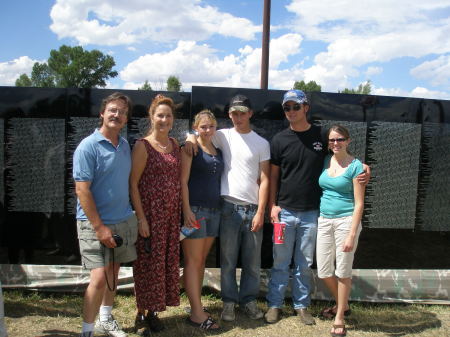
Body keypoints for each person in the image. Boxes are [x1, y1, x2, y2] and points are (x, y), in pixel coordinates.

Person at [265, 90, 369, 326]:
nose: (291, 111)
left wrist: (363, 166)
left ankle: (302, 306)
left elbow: (341, 152)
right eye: (287, 108)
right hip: (285, 212)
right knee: (280, 261)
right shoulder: (279, 140)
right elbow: (273, 177)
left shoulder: (321, 136)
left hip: (313, 214)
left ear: (306, 108)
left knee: (304, 264)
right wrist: (273, 205)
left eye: (296, 107)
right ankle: (274, 304)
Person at [186, 94, 270, 321]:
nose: (238, 117)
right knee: (228, 260)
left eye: (243, 112)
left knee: (252, 262)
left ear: (250, 114)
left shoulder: (262, 143)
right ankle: (229, 303)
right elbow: (197, 135)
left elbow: (265, 179)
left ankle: (249, 302)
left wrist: (261, 211)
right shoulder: (221, 135)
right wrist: (191, 139)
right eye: (234, 113)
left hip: (253, 209)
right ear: (229, 115)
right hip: (227, 208)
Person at [73, 92, 137, 337]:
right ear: (102, 113)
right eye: (113, 110)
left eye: (122, 112)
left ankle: (106, 318)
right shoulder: (88, 147)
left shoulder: (123, 146)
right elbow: (82, 189)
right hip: (94, 225)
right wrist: (100, 227)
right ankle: (87, 331)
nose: (117, 115)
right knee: (98, 279)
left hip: (121, 220)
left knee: (113, 274)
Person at [130, 94, 181, 335]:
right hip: (150, 214)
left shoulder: (175, 144)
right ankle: (141, 310)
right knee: (148, 263)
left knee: (163, 264)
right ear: (152, 117)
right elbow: (133, 183)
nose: (164, 119)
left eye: (168, 115)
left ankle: (154, 311)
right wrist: (141, 218)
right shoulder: (143, 145)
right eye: (160, 115)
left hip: (170, 215)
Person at [316, 125, 365, 337]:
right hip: (324, 220)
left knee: (343, 271)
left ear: (348, 140)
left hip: (346, 222)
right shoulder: (326, 160)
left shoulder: (356, 167)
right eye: (332, 140)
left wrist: (352, 234)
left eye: (340, 139)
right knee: (324, 270)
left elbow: (359, 203)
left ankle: (339, 317)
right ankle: (342, 304)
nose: (336, 143)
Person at [180, 110, 223, 330]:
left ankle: (195, 305)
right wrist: (187, 210)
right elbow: (183, 181)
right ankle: (197, 315)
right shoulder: (191, 147)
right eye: (203, 126)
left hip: (215, 210)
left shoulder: (217, 149)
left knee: (201, 261)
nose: (207, 130)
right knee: (193, 261)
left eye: (211, 126)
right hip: (195, 211)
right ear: (196, 127)